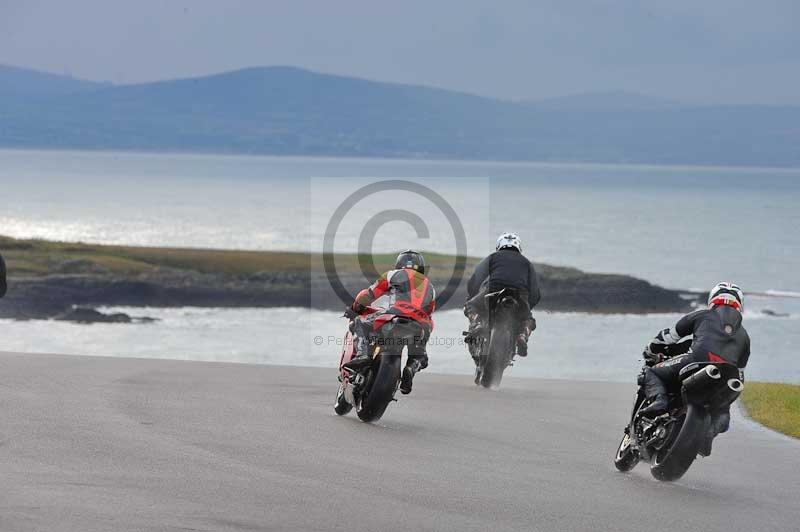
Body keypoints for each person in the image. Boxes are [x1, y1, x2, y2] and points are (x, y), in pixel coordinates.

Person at [638, 282, 750, 436]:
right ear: (740, 305)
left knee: (653, 372)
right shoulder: (745, 337)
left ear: (713, 299)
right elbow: (741, 373)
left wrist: (651, 349)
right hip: (728, 378)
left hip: (695, 361)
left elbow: (668, 337)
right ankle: (709, 435)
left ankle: (660, 401)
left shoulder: (702, 315)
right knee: (722, 416)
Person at [343, 250, 436, 395]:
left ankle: (363, 355)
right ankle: (411, 367)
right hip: (421, 325)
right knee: (419, 355)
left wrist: (355, 308)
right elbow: (430, 314)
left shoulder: (393, 275)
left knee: (360, 323)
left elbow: (368, 295)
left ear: (399, 264)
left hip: (396, 315)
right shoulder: (430, 287)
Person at [464, 232, 540, 358]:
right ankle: (522, 336)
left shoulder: (493, 257)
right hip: (520, 296)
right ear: (518, 247)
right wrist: (527, 307)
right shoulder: (527, 263)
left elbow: (476, 278)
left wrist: (472, 295)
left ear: (499, 245)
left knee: (470, 305)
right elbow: (535, 293)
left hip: (493, 291)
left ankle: (477, 324)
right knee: (528, 320)